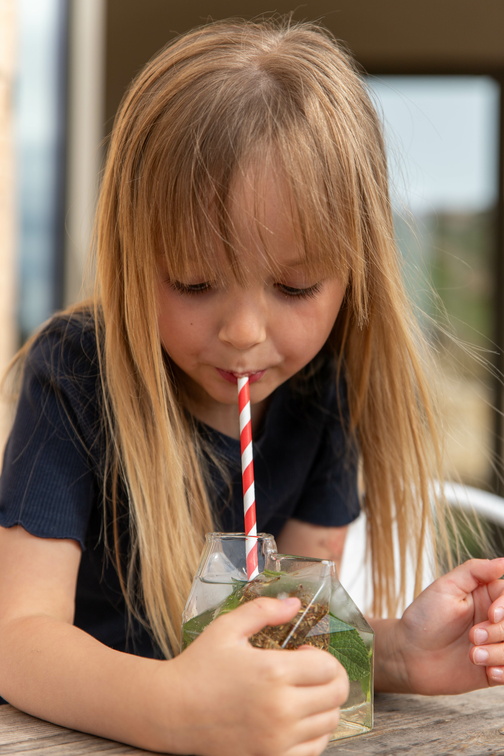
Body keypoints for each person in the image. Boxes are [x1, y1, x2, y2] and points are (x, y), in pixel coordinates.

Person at [0, 17, 503, 756]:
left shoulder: (324, 391)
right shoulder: (77, 374)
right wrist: (174, 707)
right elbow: (16, 638)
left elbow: (285, 629)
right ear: (133, 253)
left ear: (356, 273)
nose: (242, 331)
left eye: (295, 286)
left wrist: (394, 655)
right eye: (195, 281)